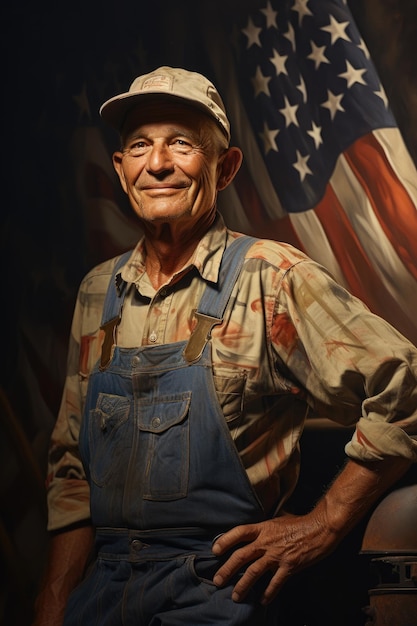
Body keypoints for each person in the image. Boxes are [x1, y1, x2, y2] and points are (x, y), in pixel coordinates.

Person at [33, 66, 417, 626]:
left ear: (225, 166)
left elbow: (405, 383)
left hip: (220, 593)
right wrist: (53, 601)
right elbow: (72, 466)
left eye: (182, 144)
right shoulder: (99, 291)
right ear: (120, 170)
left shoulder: (271, 276)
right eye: (140, 146)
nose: (158, 163)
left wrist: (324, 523)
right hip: (101, 595)